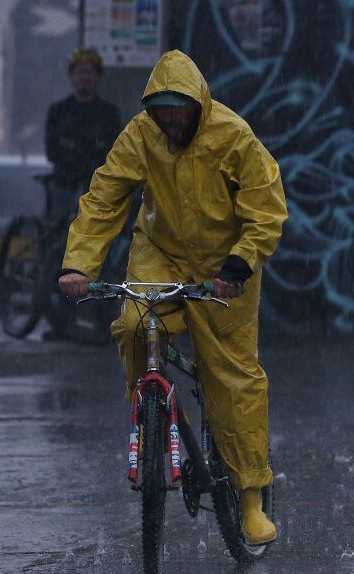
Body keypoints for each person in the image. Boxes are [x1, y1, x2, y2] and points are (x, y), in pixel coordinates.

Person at [57, 50, 288, 546]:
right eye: (161, 111)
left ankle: (251, 498)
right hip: (159, 252)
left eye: (178, 110)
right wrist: (78, 264)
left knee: (234, 378)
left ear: (197, 104)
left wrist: (240, 263)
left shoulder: (232, 135)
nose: (170, 120)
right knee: (133, 325)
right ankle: (149, 406)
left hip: (224, 268)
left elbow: (265, 207)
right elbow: (105, 197)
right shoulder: (141, 135)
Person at [45, 49, 121, 219]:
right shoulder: (58, 111)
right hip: (64, 185)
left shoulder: (109, 112)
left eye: (90, 72)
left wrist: (72, 146)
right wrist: (92, 148)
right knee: (60, 228)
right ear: (71, 76)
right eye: (80, 72)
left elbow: (114, 152)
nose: (85, 78)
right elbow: (52, 151)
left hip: (99, 187)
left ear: (98, 77)